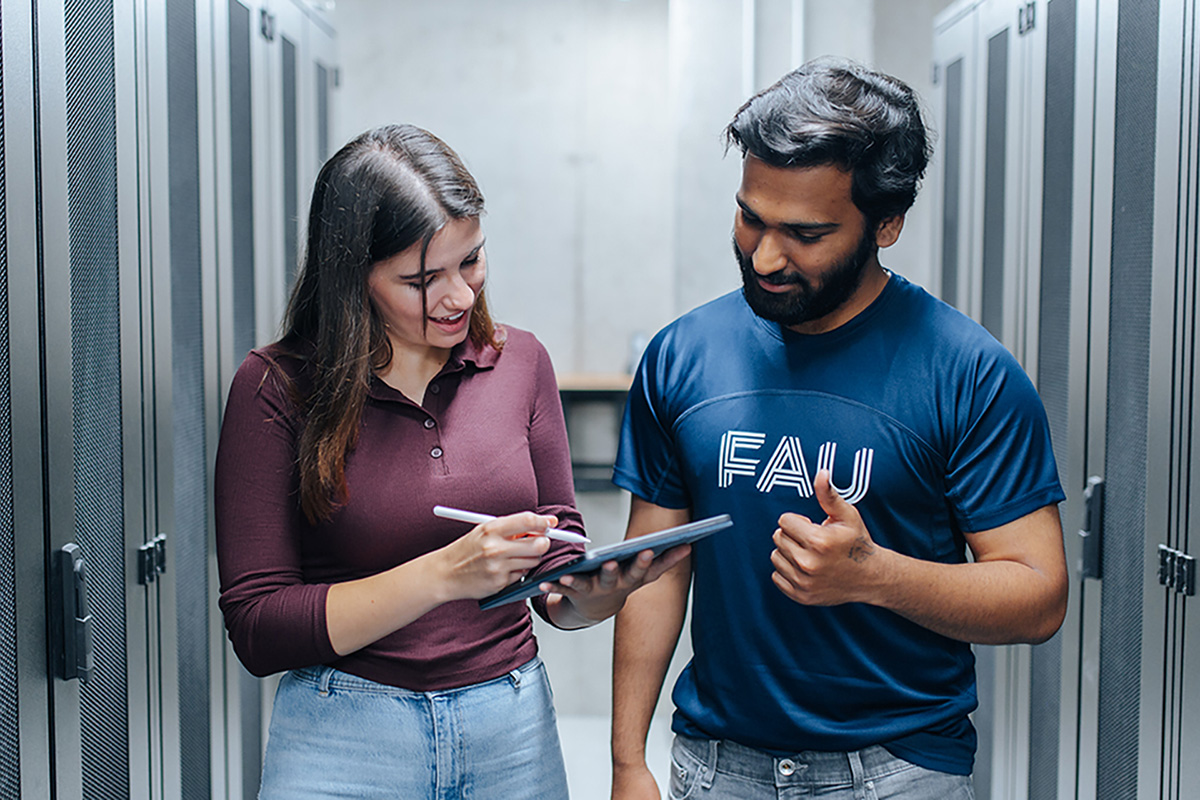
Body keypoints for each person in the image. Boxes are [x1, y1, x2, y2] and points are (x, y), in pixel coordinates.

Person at [608, 58, 1068, 799]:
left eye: (805, 233)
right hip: (717, 764)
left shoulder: (968, 372)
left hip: (895, 770)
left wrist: (877, 576)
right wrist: (629, 759)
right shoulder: (682, 354)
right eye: (750, 216)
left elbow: (1038, 595)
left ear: (886, 224)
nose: (764, 256)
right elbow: (659, 568)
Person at [214, 123, 686, 799]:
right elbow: (258, 628)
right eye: (420, 279)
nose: (459, 296)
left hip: (511, 730)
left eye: (472, 261)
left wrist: (594, 594)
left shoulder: (521, 362)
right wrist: (443, 575)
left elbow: (555, 551)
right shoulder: (276, 387)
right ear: (353, 278)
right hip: (344, 738)